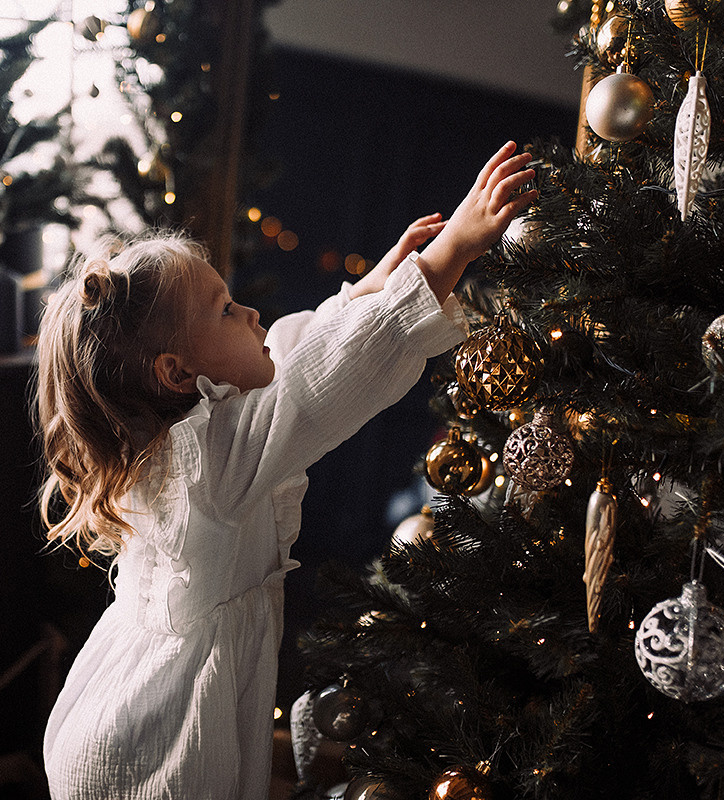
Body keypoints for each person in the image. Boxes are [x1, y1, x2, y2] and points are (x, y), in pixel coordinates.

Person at [35, 141, 538, 799]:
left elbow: (295, 350)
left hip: (117, 704)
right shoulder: (207, 459)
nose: (249, 314)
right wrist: (453, 255)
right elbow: (316, 383)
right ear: (178, 373)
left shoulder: (169, 430)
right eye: (223, 309)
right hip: (158, 743)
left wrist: (375, 284)